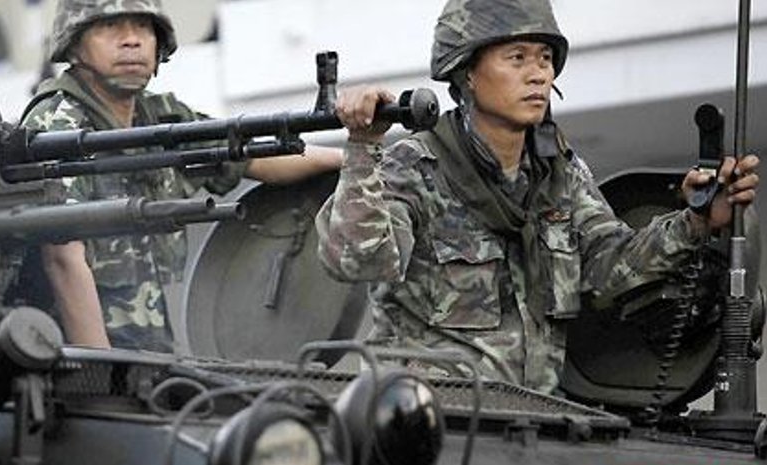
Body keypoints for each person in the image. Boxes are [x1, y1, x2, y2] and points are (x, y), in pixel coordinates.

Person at [315, 0, 760, 393]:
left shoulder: (559, 173)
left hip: (532, 423)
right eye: (517, 58)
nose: (538, 74)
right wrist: (362, 147)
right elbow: (358, 261)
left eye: (545, 58)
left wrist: (696, 220)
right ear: (467, 72)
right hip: (433, 422)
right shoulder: (415, 166)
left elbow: (611, 266)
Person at [19, 0, 342, 351]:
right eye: (110, 26)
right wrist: (102, 369)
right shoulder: (56, 124)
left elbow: (258, 155)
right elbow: (63, 259)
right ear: (75, 44)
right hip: (74, 362)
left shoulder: (159, 116)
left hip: (153, 355)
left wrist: (352, 158)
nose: (131, 40)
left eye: (143, 27)